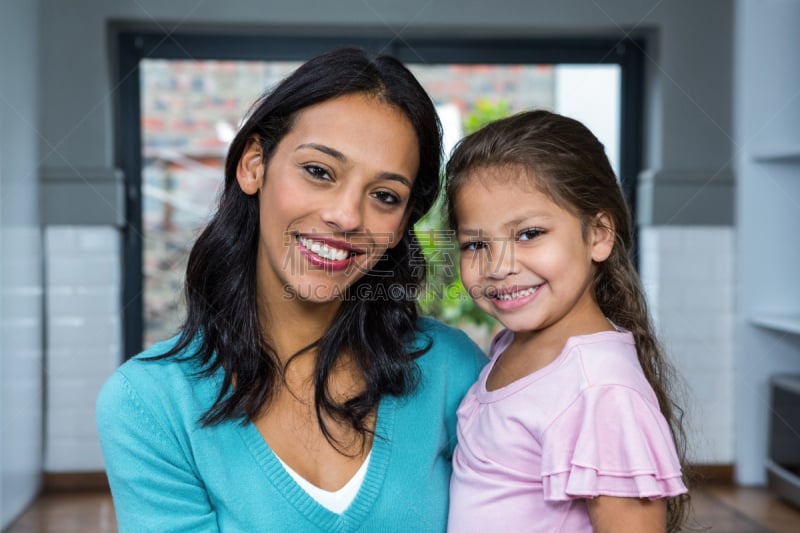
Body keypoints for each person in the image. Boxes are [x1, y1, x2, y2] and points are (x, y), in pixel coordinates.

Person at [96, 47, 486, 532]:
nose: (346, 216)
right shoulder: (148, 405)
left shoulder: (455, 371)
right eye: (318, 171)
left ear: (403, 222)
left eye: (384, 196)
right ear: (254, 164)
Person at [445, 110, 690, 532]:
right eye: (476, 244)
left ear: (597, 235)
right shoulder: (513, 344)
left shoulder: (601, 390)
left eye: (529, 234)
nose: (499, 266)